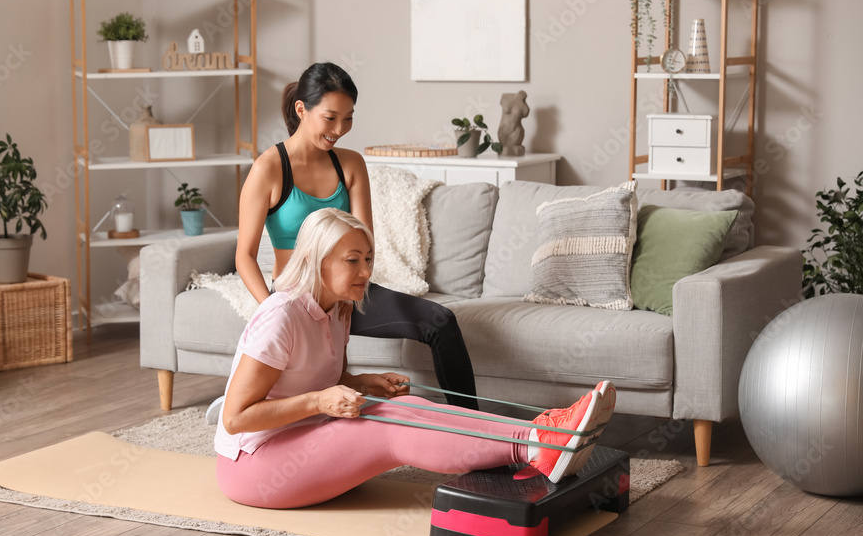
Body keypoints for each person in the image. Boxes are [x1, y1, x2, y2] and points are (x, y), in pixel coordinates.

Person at [216, 208, 616, 509]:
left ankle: (541, 431)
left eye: (368, 259)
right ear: (315, 261)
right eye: (351, 260)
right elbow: (236, 418)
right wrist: (321, 402)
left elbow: (320, 378)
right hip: (253, 466)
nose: (364, 270)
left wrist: (361, 382)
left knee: (404, 405)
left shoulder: (338, 308)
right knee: (383, 428)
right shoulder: (280, 315)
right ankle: (535, 447)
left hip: (299, 437)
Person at [235, 62, 480, 410]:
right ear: (301, 109)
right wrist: (271, 310)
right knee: (329, 385)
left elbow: (366, 241)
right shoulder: (268, 169)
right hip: (296, 298)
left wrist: (351, 296)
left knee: (440, 321)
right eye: (331, 117)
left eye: (348, 118)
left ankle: (475, 430)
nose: (340, 129)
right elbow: (244, 255)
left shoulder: (349, 164)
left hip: (347, 292)